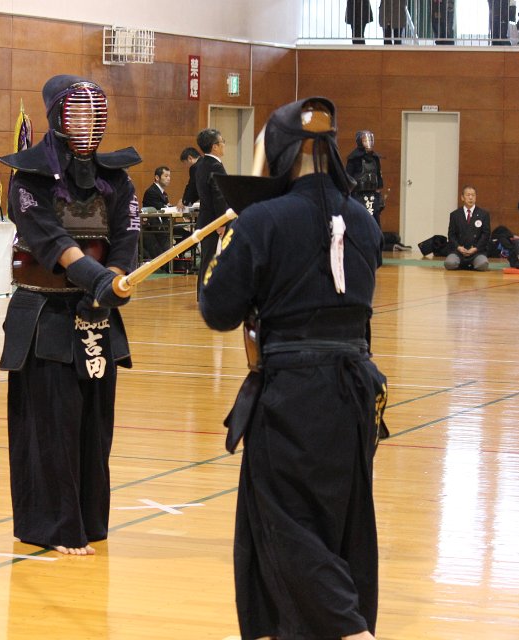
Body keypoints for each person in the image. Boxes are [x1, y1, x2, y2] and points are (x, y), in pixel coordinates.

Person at [199, 97, 386, 640]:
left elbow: (218, 309)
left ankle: (350, 631)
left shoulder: (262, 220)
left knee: (286, 523)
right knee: (340, 521)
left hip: (294, 394)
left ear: (276, 153)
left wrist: (245, 208)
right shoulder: (362, 220)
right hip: (355, 391)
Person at [0, 75, 141, 556]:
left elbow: (126, 237)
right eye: (76, 111)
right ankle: (53, 526)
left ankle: (88, 521)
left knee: (95, 427)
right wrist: (94, 277)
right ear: (56, 115)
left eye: (93, 112)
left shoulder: (117, 179)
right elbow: (51, 240)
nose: (86, 121)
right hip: (45, 314)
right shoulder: (28, 179)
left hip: (97, 313)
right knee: (50, 425)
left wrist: (113, 280)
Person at [194, 128, 228, 299]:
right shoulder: (215, 166)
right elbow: (219, 196)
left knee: (207, 259)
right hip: (214, 221)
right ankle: (207, 296)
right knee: (212, 259)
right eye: (222, 142)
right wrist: (221, 222)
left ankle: (203, 294)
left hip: (205, 219)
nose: (224, 145)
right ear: (214, 146)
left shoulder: (201, 164)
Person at [444, 185, 491, 271]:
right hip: (458, 252)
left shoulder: (483, 214)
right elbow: (451, 235)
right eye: (468, 195)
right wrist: (458, 247)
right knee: (449, 263)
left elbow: (486, 235)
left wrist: (475, 248)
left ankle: (471, 263)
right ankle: (462, 263)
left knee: (483, 265)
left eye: (473, 195)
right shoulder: (455, 215)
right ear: (462, 197)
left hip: (477, 252)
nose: (471, 198)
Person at [345, 130, 385, 228]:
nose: (368, 143)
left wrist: (379, 197)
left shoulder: (375, 158)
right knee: (360, 223)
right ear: (360, 142)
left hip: (373, 196)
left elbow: (378, 177)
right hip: (358, 196)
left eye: (370, 140)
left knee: (375, 224)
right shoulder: (354, 158)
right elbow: (348, 179)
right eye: (365, 140)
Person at [141, 166, 172, 260]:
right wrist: (169, 207)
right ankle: (173, 261)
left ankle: (178, 259)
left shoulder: (164, 194)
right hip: (154, 227)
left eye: (169, 176)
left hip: (164, 225)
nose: (169, 178)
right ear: (157, 177)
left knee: (188, 235)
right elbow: (162, 208)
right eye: (166, 176)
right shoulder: (151, 192)